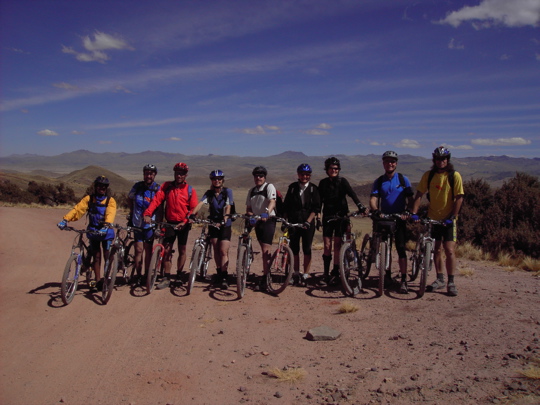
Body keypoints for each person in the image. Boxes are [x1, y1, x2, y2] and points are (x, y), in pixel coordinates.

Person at [411, 146, 464, 297]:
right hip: (433, 217)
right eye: (438, 159)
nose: (441, 161)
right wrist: (414, 213)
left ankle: (451, 282)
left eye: (444, 159)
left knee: (450, 250)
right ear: (434, 160)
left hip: (448, 220)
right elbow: (419, 194)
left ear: (448, 160)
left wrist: (453, 216)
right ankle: (440, 279)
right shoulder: (429, 175)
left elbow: (459, 197)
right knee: (437, 250)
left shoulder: (454, 176)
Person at [143, 162, 198, 289]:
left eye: (182, 173)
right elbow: (156, 200)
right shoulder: (167, 186)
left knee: (182, 250)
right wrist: (147, 213)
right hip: (169, 223)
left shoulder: (190, 190)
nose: (179, 176)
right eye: (177, 173)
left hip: (183, 223)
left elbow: (193, 208)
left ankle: (178, 276)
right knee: (166, 250)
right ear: (174, 173)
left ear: (186, 175)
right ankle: (166, 277)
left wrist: (185, 221)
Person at [57, 176, 117, 291]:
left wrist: (106, 225)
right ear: (95, 187)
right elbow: (78, 210)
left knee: (107, 256)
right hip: (93, 231)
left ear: (106, 188)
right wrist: (65, 220)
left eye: (104, 186)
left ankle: (107, 279)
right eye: (99, 186)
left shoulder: (110, 200)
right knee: (96, 257)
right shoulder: (89, 199)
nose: (101, 188)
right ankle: (98, 280)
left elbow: (110, 213)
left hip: (106, 232)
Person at [369, 151, 414, 294]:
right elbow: (374, 198)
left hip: (399, 218)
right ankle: (386, 276)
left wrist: (408, 211)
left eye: (392, 161)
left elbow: (410, 198)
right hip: (385, 219)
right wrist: (375, 210)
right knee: (385, 248)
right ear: (383, 163)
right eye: (387, 161)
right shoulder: (379, 181)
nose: (390, 164)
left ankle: (404, 280)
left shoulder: (403, 179)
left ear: (396, 163)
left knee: (401, 248)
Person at [318, 157, 367, 286]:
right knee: (327, 245)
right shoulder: (323, 183)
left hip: (341, 216)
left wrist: (360, 206)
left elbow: (352, 194)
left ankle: (335, 271)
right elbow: (319, 201)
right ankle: (325, 273)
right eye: (331, 168)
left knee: (337, 245)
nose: (334, 170)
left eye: (336, 168)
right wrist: (318, 216)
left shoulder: (342, 181)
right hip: (328, 216)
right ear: (327, 169)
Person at [190, 169, 234, 289]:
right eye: (214, 179)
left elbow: (228, 206)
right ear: (212, 181)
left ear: (222, 180)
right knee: (215, 248)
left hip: (225, 224)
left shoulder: (227, 192)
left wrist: (225, 218)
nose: (217, 181)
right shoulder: (209, 193)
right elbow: (200, 203)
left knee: (223, 250)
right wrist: (193, 214)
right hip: (213, 223)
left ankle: (225, 276)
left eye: (219, 179)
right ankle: (219, 272)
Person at [283, 163, 321, 287]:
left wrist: (308, 221)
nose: (305, 176)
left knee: (307, 248)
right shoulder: (292, 187)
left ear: (310, 176)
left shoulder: (313, 189)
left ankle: (305, 274)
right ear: (298, 175)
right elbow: (287, 205)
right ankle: (295, 273)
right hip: (294, 222)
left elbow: (316, 208)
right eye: (302, 174)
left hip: (307, 223)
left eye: (307, 175)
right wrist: (285, 221)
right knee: (294, 249)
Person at [127, 164, 160, 285]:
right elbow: (129, 198)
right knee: (138, 250)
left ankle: (147, 274)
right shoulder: (137, 186)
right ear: (143, 174)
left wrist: (157, 223)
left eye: (151, 174)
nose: (149, 176)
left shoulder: (157, 188)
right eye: (147, 173)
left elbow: (160, 206)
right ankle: (138, 275)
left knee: (147, 250)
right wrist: (131, 212)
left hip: (149, 225)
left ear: (154, 175)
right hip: (137, 223)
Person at [245, 166, 276, 292]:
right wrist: (251, 215)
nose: (258, 178)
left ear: (265, 177)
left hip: (268, 220)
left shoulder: (269, 187)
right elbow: (248, 208)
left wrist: (267, 212)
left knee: (265, 250)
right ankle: (266, 274)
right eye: (256, 176)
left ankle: (266, 277)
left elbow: (272, 201)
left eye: (261, 176)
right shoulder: (251, 191)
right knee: (261, 247)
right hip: (257, 221)